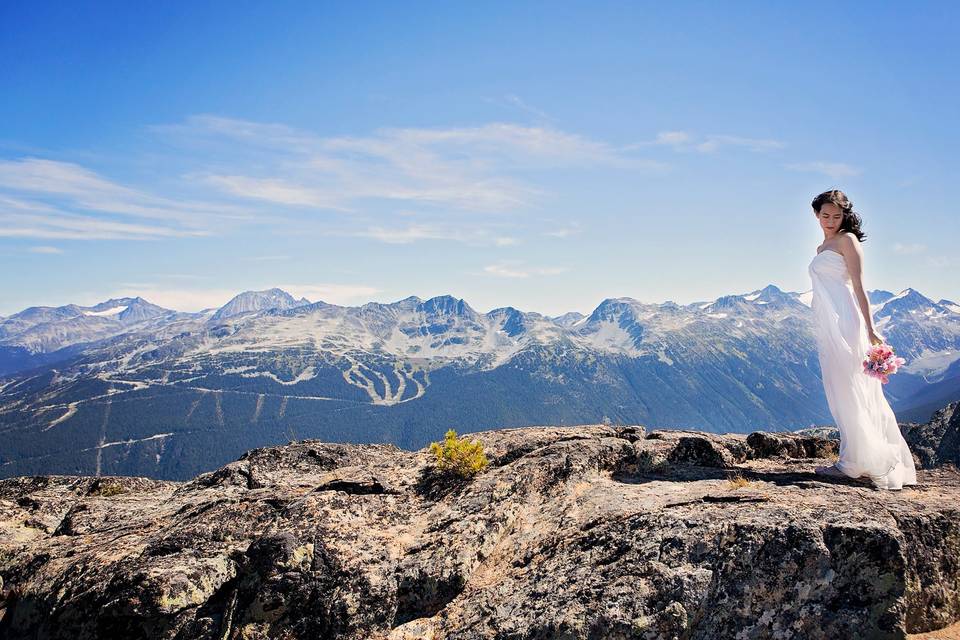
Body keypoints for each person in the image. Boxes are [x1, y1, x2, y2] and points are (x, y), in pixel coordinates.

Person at [807, 189, 917, 490]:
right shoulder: (823, 246)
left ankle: (855, 463)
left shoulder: (847, 241)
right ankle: (855, 456)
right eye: (825, 215)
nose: (830, 221)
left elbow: (858, 287)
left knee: (852, 387)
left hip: (847, 321)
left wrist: (870, 329)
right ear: (816, 215)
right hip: (829, 324)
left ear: (845, 216)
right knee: (839, 388)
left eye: (836, 216)